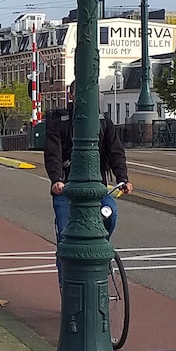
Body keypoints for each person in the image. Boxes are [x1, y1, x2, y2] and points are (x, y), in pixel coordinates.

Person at [44, 83, 131, 283]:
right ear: (72, 95)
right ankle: (66, 287)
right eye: (79, 93)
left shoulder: (104, 123)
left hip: (96, 190)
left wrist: (122, 178)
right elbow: (52, 154)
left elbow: (115, 152)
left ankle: (99, 252)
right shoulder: (60, 123)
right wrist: (57, 180)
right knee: (66, 239)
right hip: (66, 190)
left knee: (111, 212)